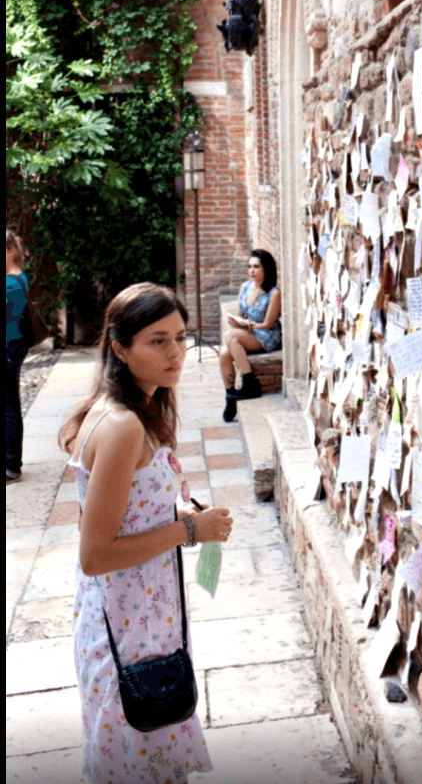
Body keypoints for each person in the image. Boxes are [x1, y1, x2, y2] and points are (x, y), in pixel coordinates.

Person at [59, 282, 233, 784]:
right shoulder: (122, 427)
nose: (175, 351)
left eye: (179, 337)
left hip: (141, 620)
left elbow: (111, 511)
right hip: (126, 631)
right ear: (119, 347)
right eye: (157, 340)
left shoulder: (136, 413)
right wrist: (188, 529)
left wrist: (173, 514)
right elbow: (94, 553)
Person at [219, 249, 281, 422]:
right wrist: (237, 321)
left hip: (266, 335)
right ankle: (230, 397)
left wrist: (249, 325)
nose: (251, 270)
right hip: (247, 332)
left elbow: (268, 324)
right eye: (249, 266)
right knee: (224, 354)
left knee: (231, 337)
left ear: (266, 269)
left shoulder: (274, 293)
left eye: (256, 267)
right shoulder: (244, 287)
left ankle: (249, 384)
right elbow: (239, 314)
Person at [6, 229, 29, 483]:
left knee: (10, 407)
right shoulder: (20, 278)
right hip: (14, 345)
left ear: (12, 251)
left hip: (8, 347)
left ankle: (11, 465)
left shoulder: (10, 284)